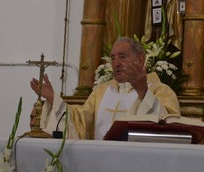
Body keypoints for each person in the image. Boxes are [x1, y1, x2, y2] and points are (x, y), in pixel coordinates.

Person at [30, 36, 181, 140]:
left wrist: (143, 92)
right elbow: (80, 122)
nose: (116, 63)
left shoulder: (160, 91)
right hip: (100, 161)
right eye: (113, 58)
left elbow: (169, 131)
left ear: (140, 59)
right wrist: (53, 98)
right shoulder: (101, 91)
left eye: (122, 57)